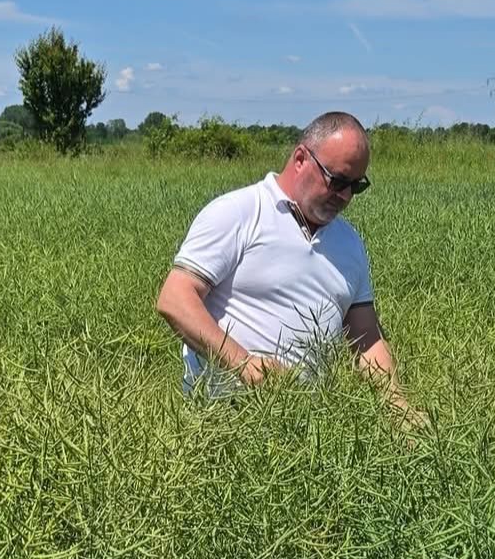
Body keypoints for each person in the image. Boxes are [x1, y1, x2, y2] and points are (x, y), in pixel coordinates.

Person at [156, 111, 419, 420]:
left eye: (356, 186)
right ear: (299, 159)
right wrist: (242, 363)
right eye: (337, 181)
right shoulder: (239, 212)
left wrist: (401, 410)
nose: (345, 196)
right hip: (219, 425)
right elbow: (175, 299)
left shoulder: (350, 244)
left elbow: (367, 338)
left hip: (304, 432)